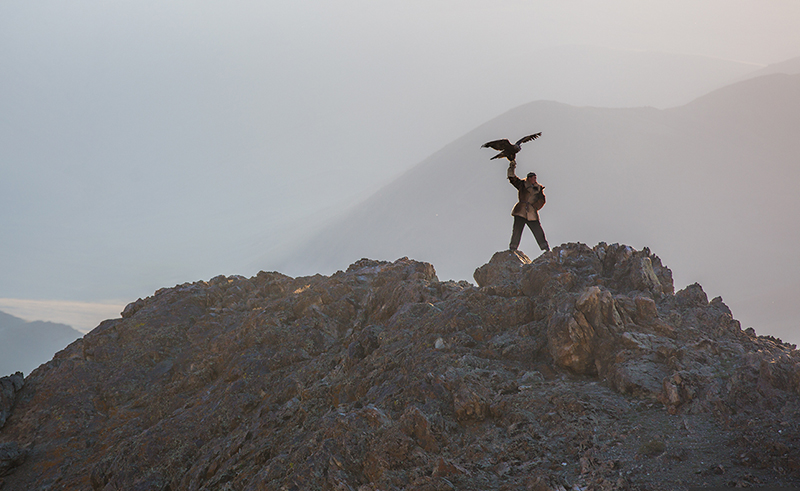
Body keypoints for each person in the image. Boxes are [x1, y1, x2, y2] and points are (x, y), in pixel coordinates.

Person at [507, 161, 550, 252]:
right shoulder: (522, 184)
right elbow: (512, 178)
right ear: (529, 178)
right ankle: (513, 248)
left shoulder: (538, 188)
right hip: (521, 211)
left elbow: (542, 200)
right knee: (517, 230)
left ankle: (545, 248)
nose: (535, 179)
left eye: (535, 178)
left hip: (531, 213)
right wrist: (512, 166)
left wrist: (534, 207)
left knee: (538, 231)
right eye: (533, 178)